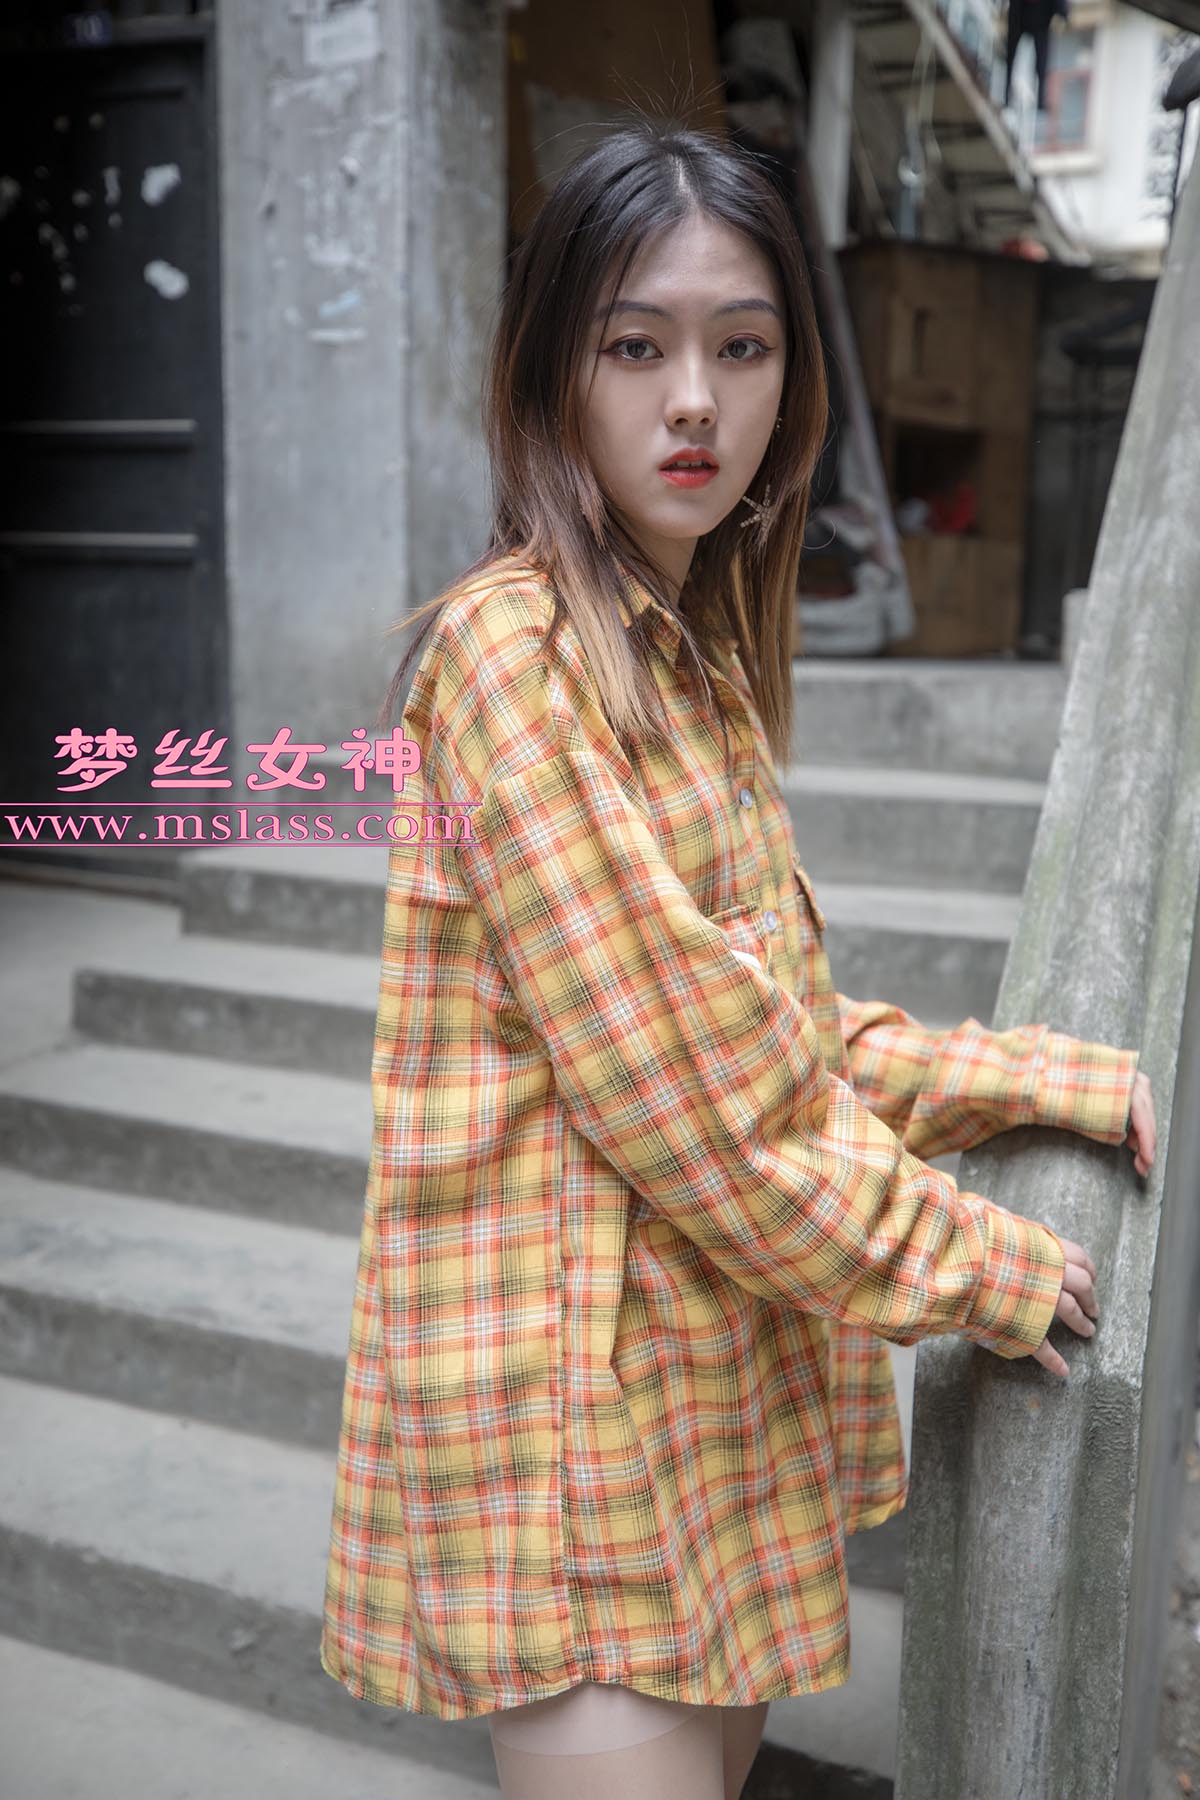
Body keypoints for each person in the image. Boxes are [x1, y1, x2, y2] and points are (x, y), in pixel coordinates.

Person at [318, 120, 1157, 1799]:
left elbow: (765, 1034)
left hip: (697, 1417)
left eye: (743, 347)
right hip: (571, 1441)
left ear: (791, 383)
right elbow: (698, 1105)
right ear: (553, 371)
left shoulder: (683, 656)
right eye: (637, 346)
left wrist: (1025, 1079)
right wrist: (977, 1263)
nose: (693, 399)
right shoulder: (517, 657)